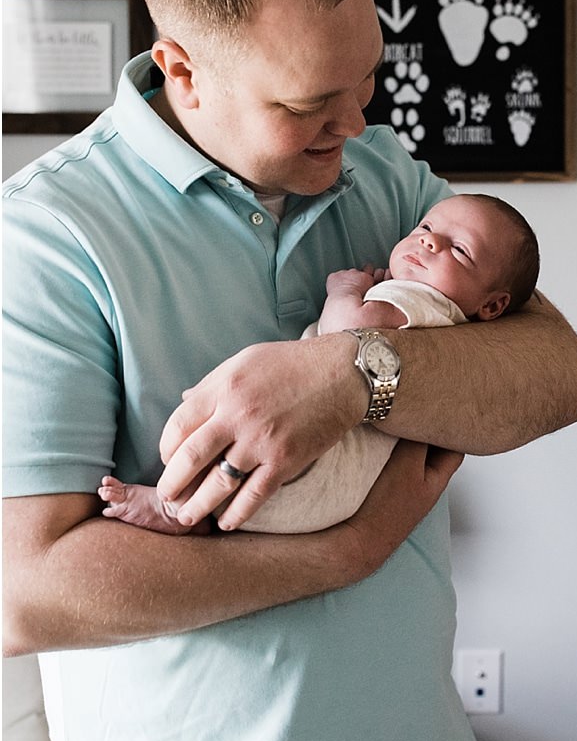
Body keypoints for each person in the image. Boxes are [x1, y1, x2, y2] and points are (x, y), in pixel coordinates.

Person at [2, 0, 577, 741]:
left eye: (366, 81)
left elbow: (561, 377)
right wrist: (346, 552)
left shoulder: (380, 177)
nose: (357, 123)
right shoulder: (45, 239)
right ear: (183, 68)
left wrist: (344, 376)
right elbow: (24, 593)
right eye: (310, 102)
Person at [97, 194, 539, 537]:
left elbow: (347, 331)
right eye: (426, 226)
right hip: (342, 491)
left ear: (493, 304)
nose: (430, 241)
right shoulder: (446, 317)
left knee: (237, 455)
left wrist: (344, 290)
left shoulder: (424, 302)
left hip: (324, 465)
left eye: (459, 250)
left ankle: (175, 506)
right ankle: (190, 512)